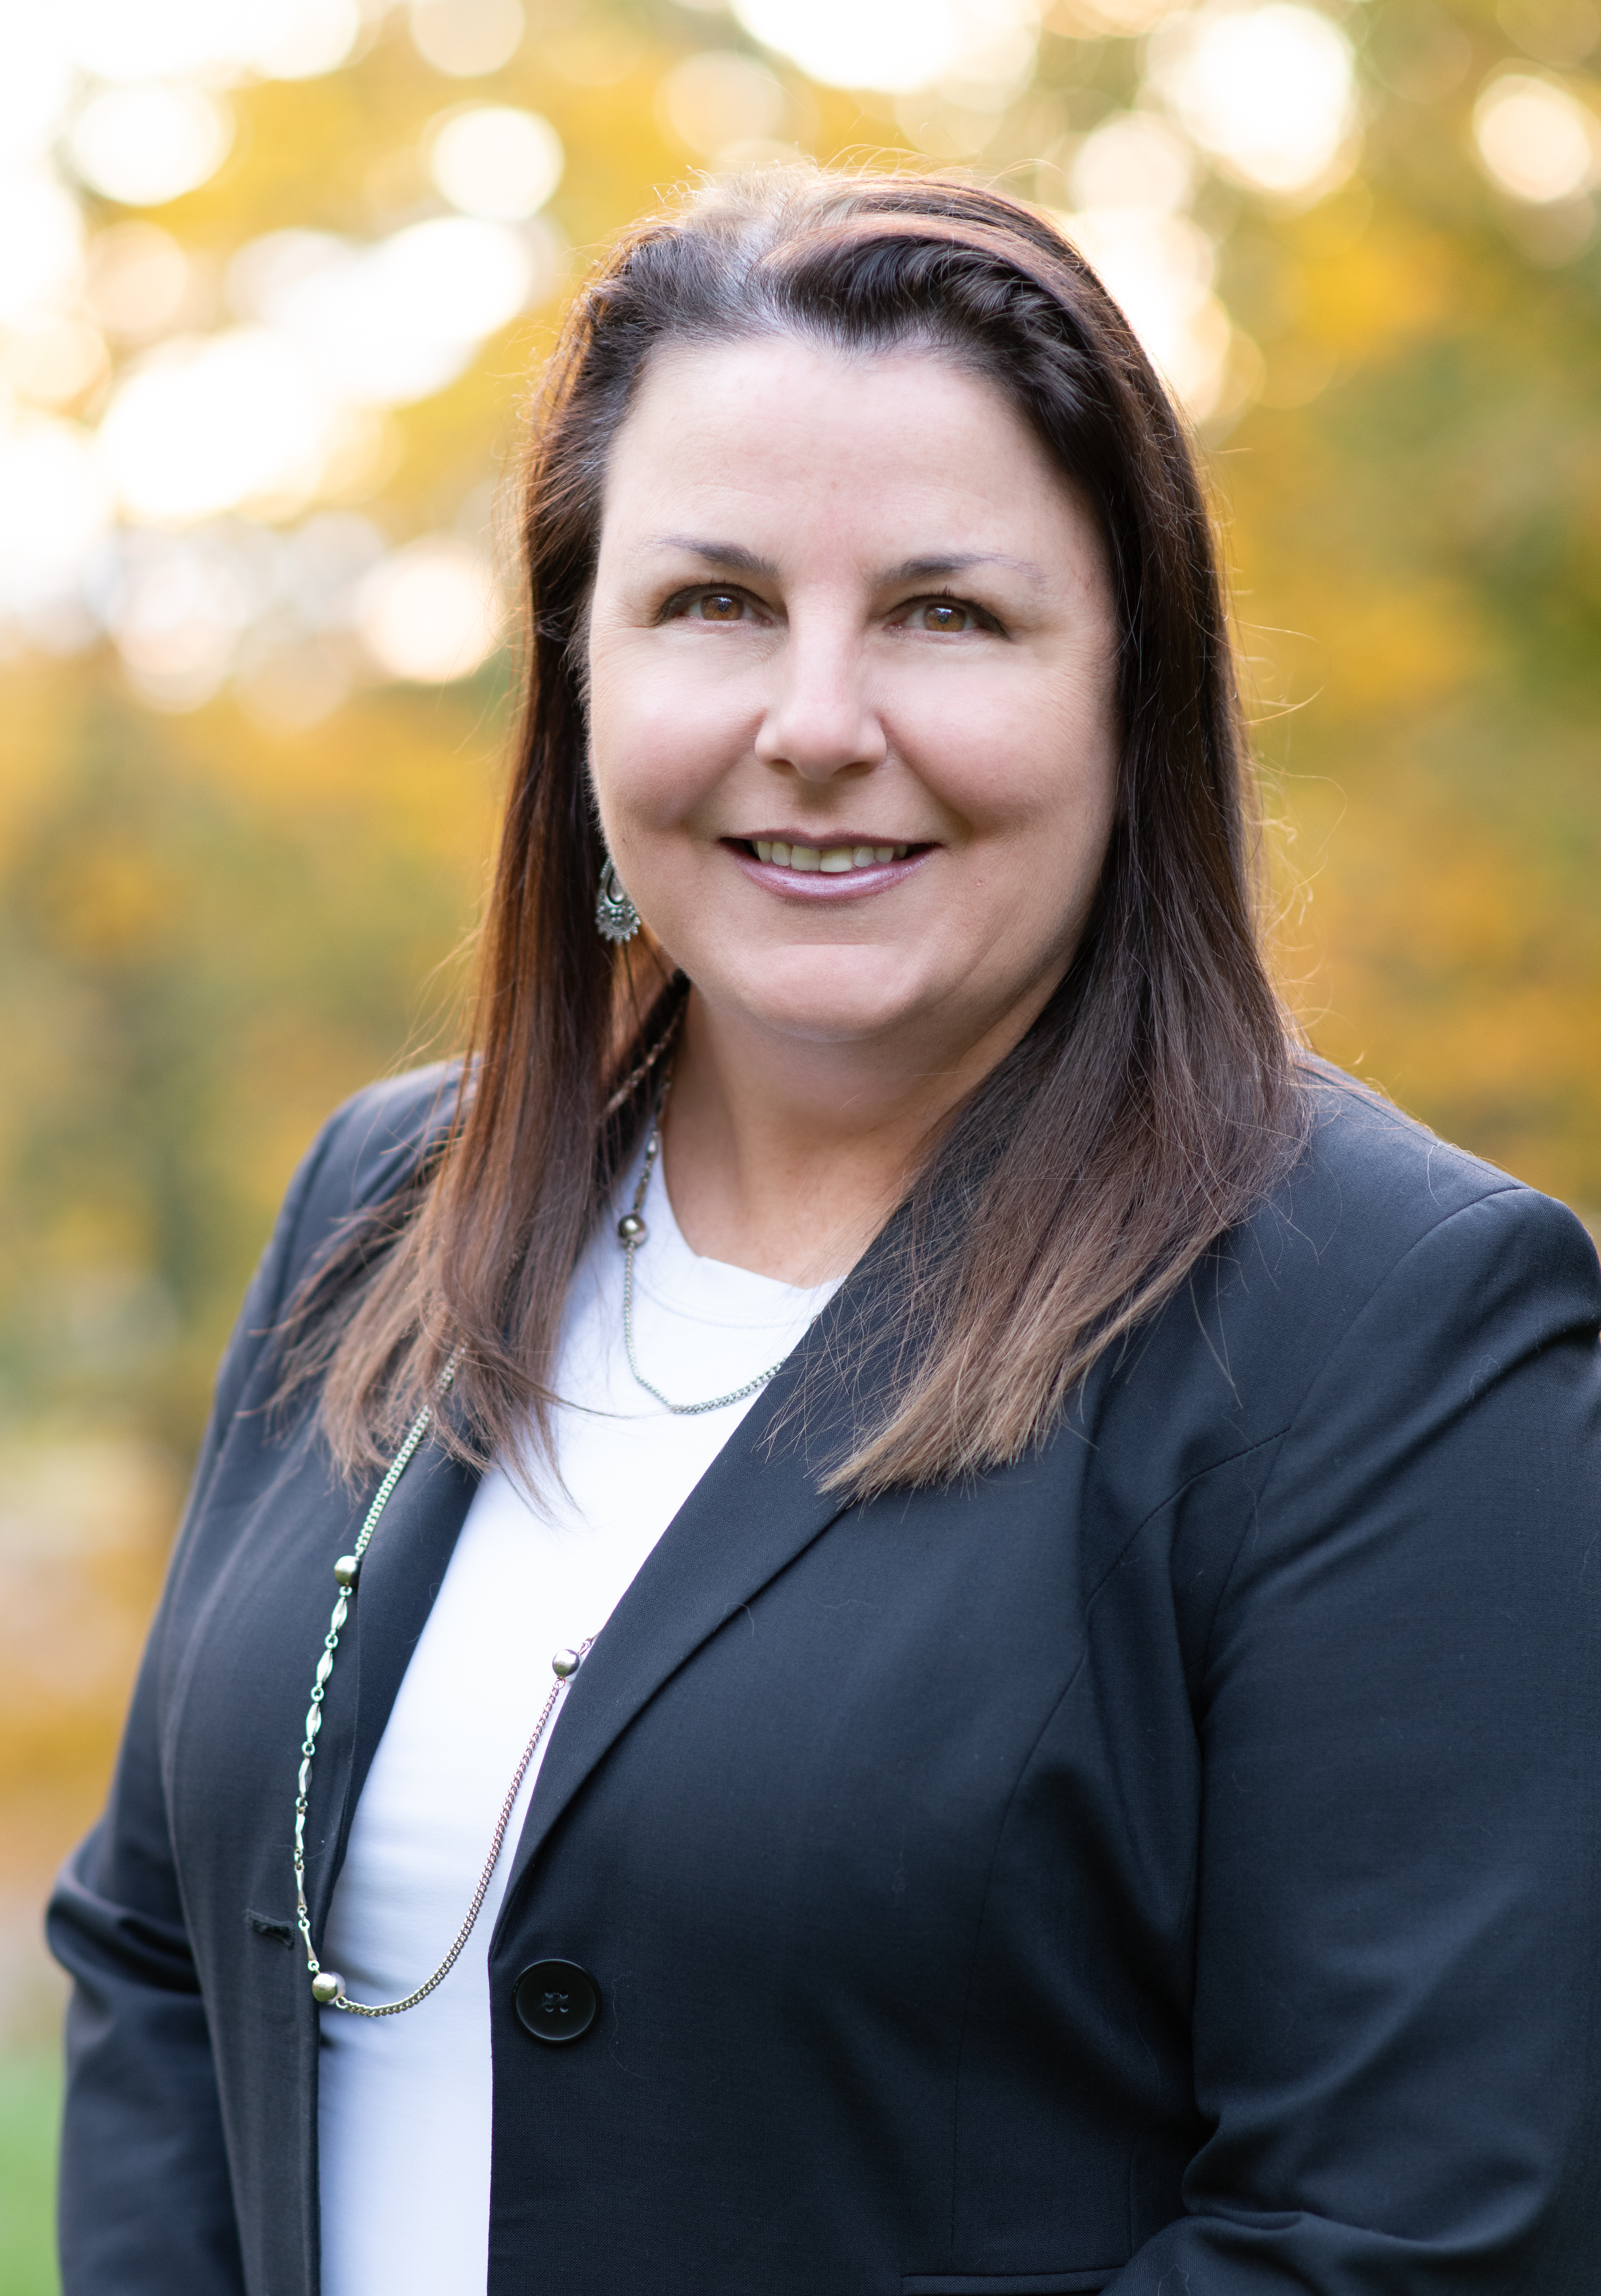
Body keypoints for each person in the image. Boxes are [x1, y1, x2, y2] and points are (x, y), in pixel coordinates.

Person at [48, 167, 1601, 2296]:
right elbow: (156, 1952)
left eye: (946, 615)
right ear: (579, 678)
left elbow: (1402, 2243)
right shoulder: (385, 1206)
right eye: (714, 605)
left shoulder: (1394, 1337)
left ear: (1125, 702)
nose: (814, 723)